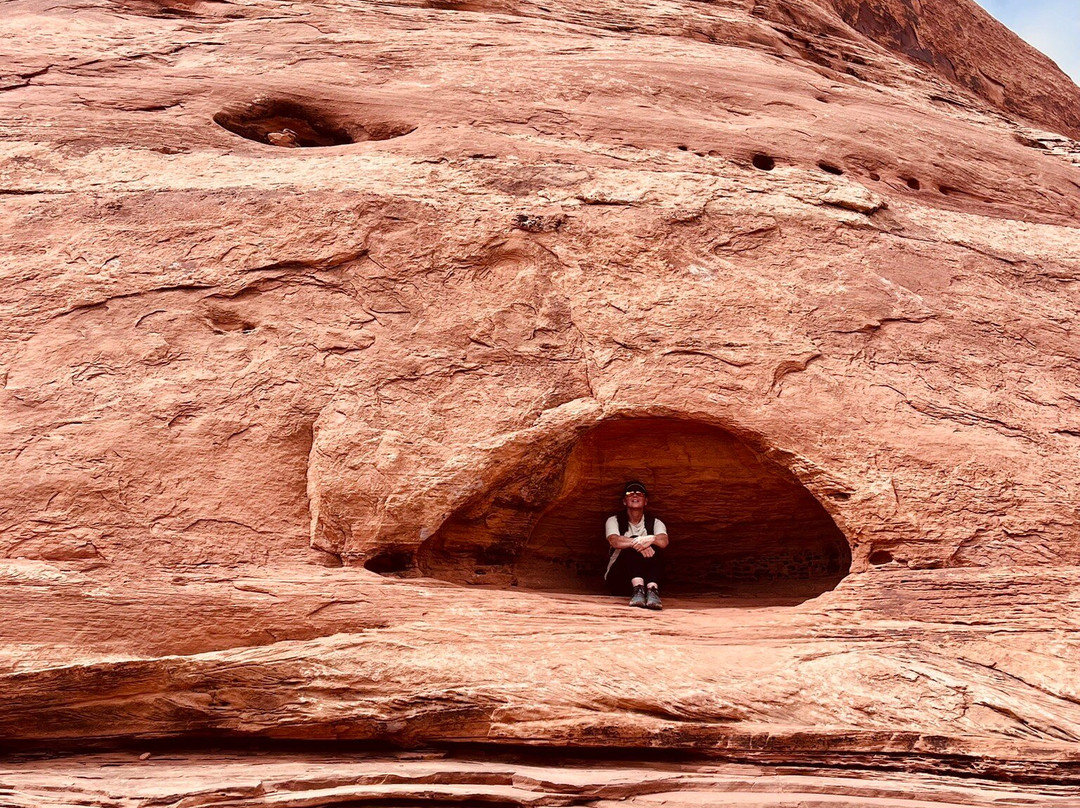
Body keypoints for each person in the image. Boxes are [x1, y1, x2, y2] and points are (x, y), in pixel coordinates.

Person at [604, 481, 669, 610]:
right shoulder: (614, 520)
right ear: (624, 501)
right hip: (620, 578)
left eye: (639, 493)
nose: (635, 495)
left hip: (649, 577)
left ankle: (652, 590)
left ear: (646, 501)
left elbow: (664, 541)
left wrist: (652, 539)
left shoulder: (655, 522)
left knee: (654, 543)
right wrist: (638, 542)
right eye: (630, 493)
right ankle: (638, 589)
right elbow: (614, 541)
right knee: (633, 543)